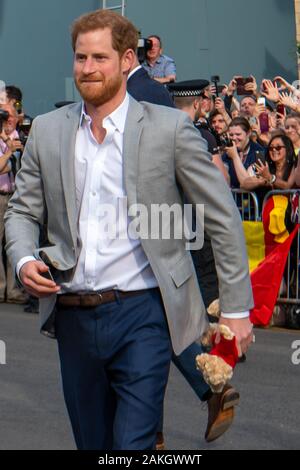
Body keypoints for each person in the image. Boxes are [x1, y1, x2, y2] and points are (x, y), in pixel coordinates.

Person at [5, 10, 253, 451]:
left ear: (125, 60)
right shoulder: (46, 131)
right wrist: (24, 259)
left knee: (131, 446)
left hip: (144, 314)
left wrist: (236, 308)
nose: (88, 68)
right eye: (81, 57)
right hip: (73, 313)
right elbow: (22, 211)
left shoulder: (169, 129)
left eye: (99, 57)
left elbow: (221, 216)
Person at [0, 103, 26, 304]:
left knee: (11, 243)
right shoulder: (7, 144)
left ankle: (13, 289)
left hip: (12, 195)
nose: (6, 122)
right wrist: (9, 152)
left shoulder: (11, 139)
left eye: (7, 118)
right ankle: (1, 288)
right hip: (0, 195)